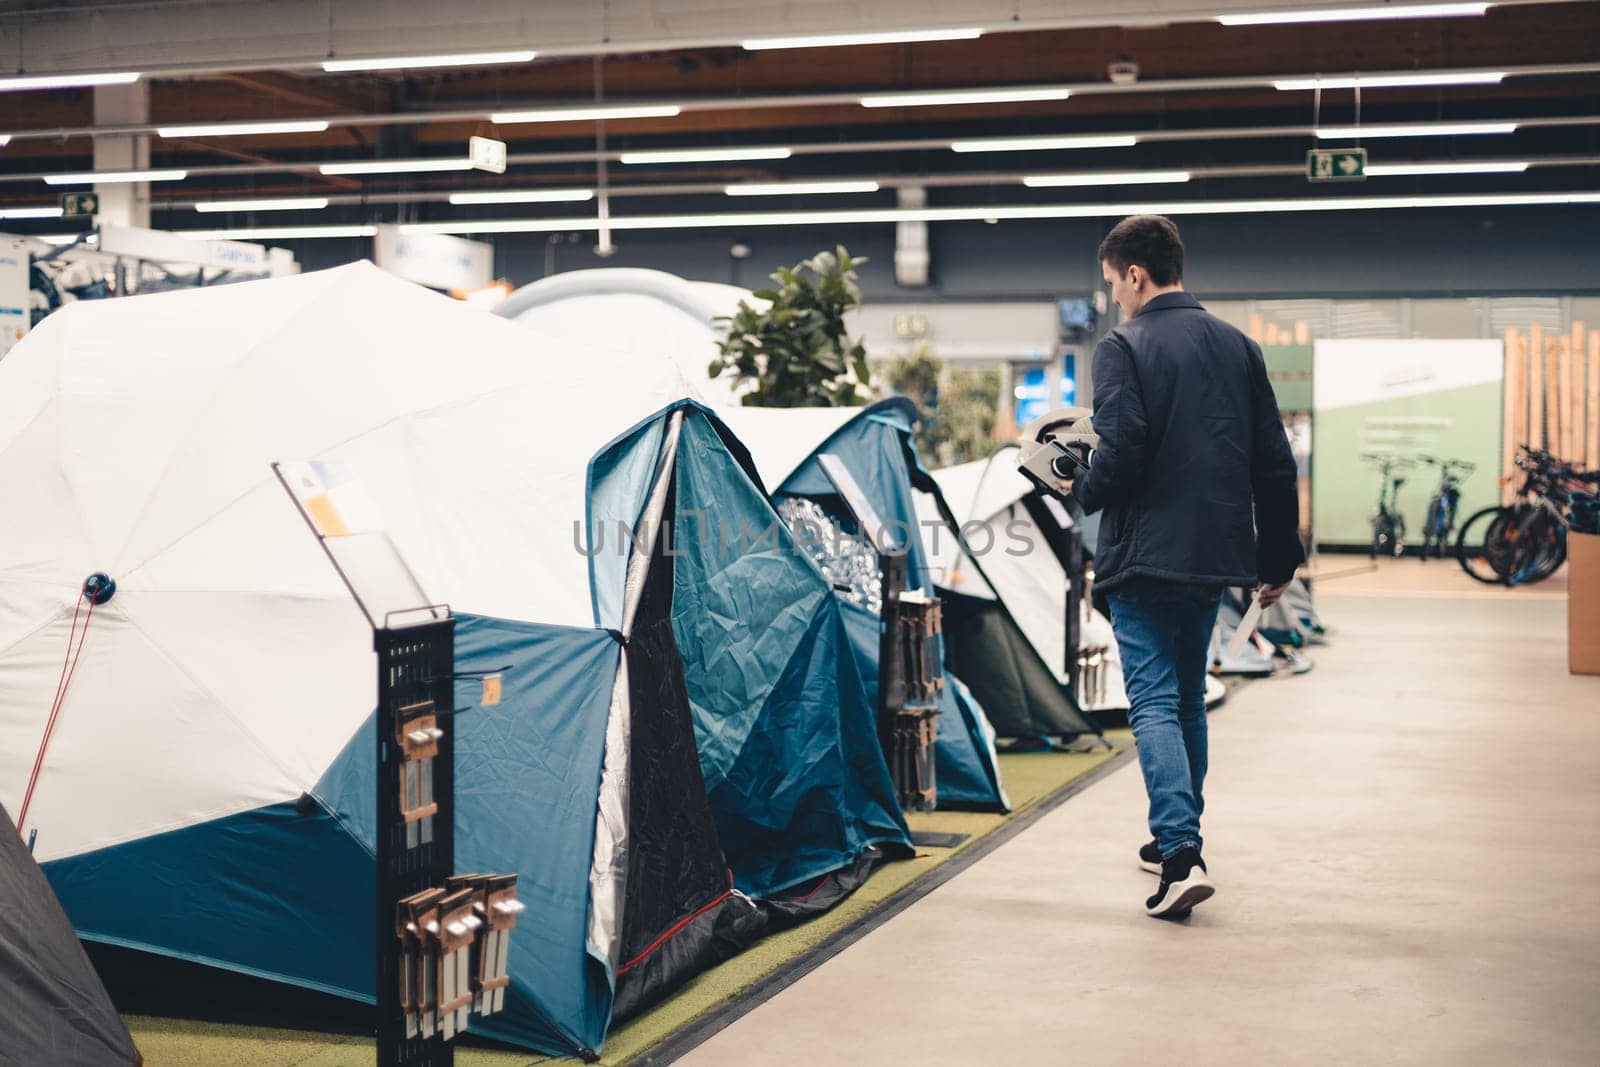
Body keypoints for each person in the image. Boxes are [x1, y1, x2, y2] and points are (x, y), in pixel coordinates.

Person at [1061, 215, 1303, 919]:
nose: (1114, 298)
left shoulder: (1122, 346)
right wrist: (1278, 553)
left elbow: (1124, 448)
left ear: (1134, 274)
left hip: (1143, 555)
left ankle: (1179, 852)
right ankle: (1178, 832)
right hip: (1215, 557)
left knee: (1154, 699)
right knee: (1189, 693)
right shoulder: (1239, 346)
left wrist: (1079, 482)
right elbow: (1272, 460)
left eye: (1113, 284)